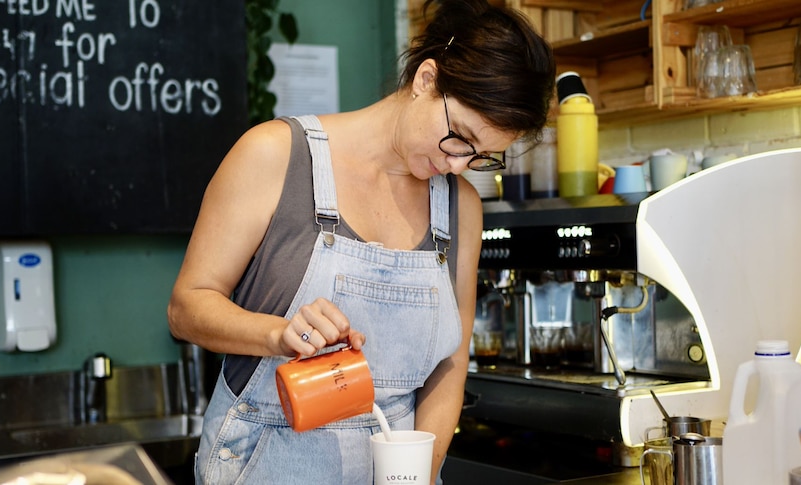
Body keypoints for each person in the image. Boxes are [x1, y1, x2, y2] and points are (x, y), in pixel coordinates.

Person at [167, 0, 555, 482]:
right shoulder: (275, 155)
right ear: (426, 80)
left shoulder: (460, 209)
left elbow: (450, 364)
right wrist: (276, 334)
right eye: (460, 137)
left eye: (482, 157)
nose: (459, 165)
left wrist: (418, 473)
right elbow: (187, 308)